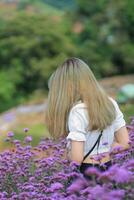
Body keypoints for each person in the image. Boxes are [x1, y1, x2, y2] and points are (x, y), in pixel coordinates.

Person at [45, 57, 130, 180]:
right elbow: (125, 143)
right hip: (109, 169)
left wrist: (68, 153)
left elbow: (77, 158)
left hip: (87, 173)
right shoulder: (110, 103)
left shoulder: (77, 111)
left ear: (68, 87)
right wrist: (103, 150)